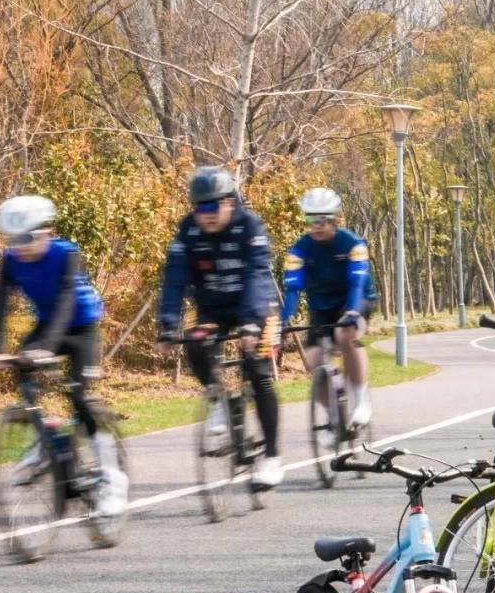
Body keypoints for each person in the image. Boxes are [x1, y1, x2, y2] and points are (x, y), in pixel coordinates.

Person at [0, 194, 126, 517]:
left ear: (47, 232)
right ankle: (45, 435)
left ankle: (111, 476)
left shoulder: (66, 255)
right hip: (48, 324)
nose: (18, 246)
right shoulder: (9, 261)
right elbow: (0, 306)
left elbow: (67, 301)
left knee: (79, 395)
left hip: (82, 326)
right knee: (22, 366)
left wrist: (47, 348)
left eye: (26, 238)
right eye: (12, 240)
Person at [158, 167, 284, 489]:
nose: (206, 216)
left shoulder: (249, 226)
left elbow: (258, 274)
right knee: (196, 343)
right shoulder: (187, 232)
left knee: (258, 373)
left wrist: (250, 325)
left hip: (255, 308)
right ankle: (218, 400)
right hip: (213, 308)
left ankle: (271, 457)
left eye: (213, 207)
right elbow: (173, 281)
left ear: (229, 202)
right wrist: (169, 326)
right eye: (200, 208)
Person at [281, 187, 377, 427]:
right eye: (310, 219)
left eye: (322, 219)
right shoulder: (299, 249)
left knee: (345, 334)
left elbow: (357, 283)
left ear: (334, 219)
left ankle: (361, 398)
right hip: (321, 306)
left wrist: (353, 312)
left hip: (354, 300)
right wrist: (281, 321)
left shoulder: (353, 244)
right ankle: (333, 416)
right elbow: (293, 290)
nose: (316, 225)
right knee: (314, 360)